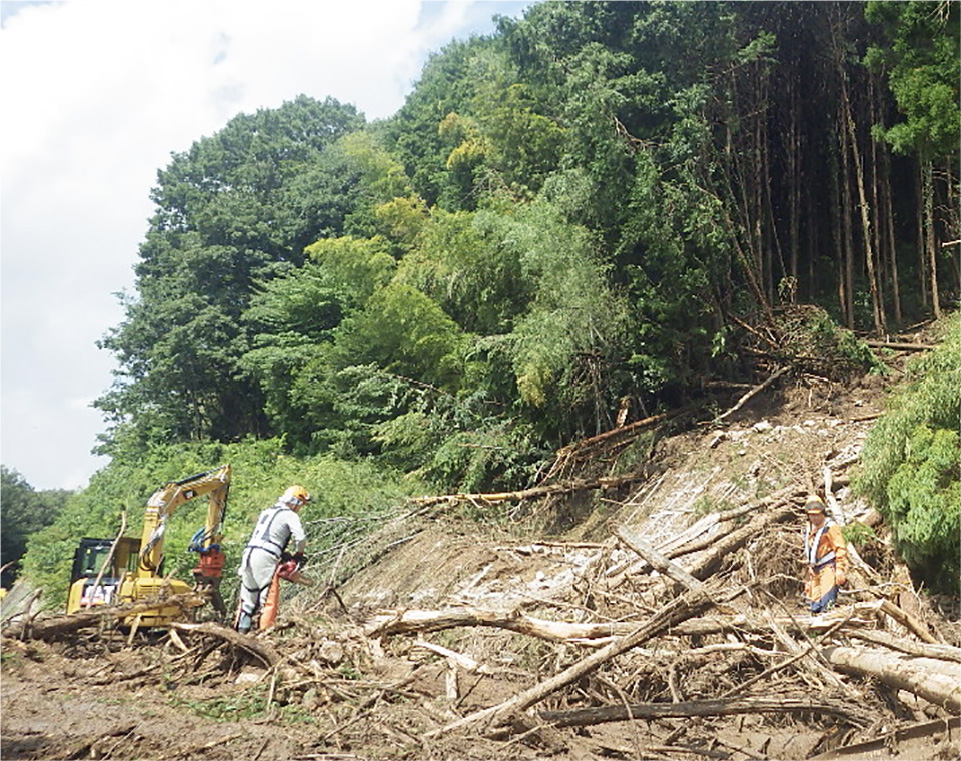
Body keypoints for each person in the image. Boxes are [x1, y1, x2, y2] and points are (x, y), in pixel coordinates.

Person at [235, 485, 311, 633]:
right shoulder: (290, 515)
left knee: (247, 600)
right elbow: (300, 539)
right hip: (266, 555)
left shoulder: (267, 512)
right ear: (297, 502)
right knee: (268, 598)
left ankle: (240, 635)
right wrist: (299, 555)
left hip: (249, 554)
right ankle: (265, 637)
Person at [802, 494, 848, 613]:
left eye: (817, 514)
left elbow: (840, 549)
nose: (814, 518)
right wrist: (808, 574)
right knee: (814, 606)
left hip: (828, 567)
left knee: (827, 604)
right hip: (814, 570)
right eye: (811, 515)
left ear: (822, 512)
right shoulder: (808, 528)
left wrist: (840, 569)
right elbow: (809, 551)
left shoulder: (830, 527)